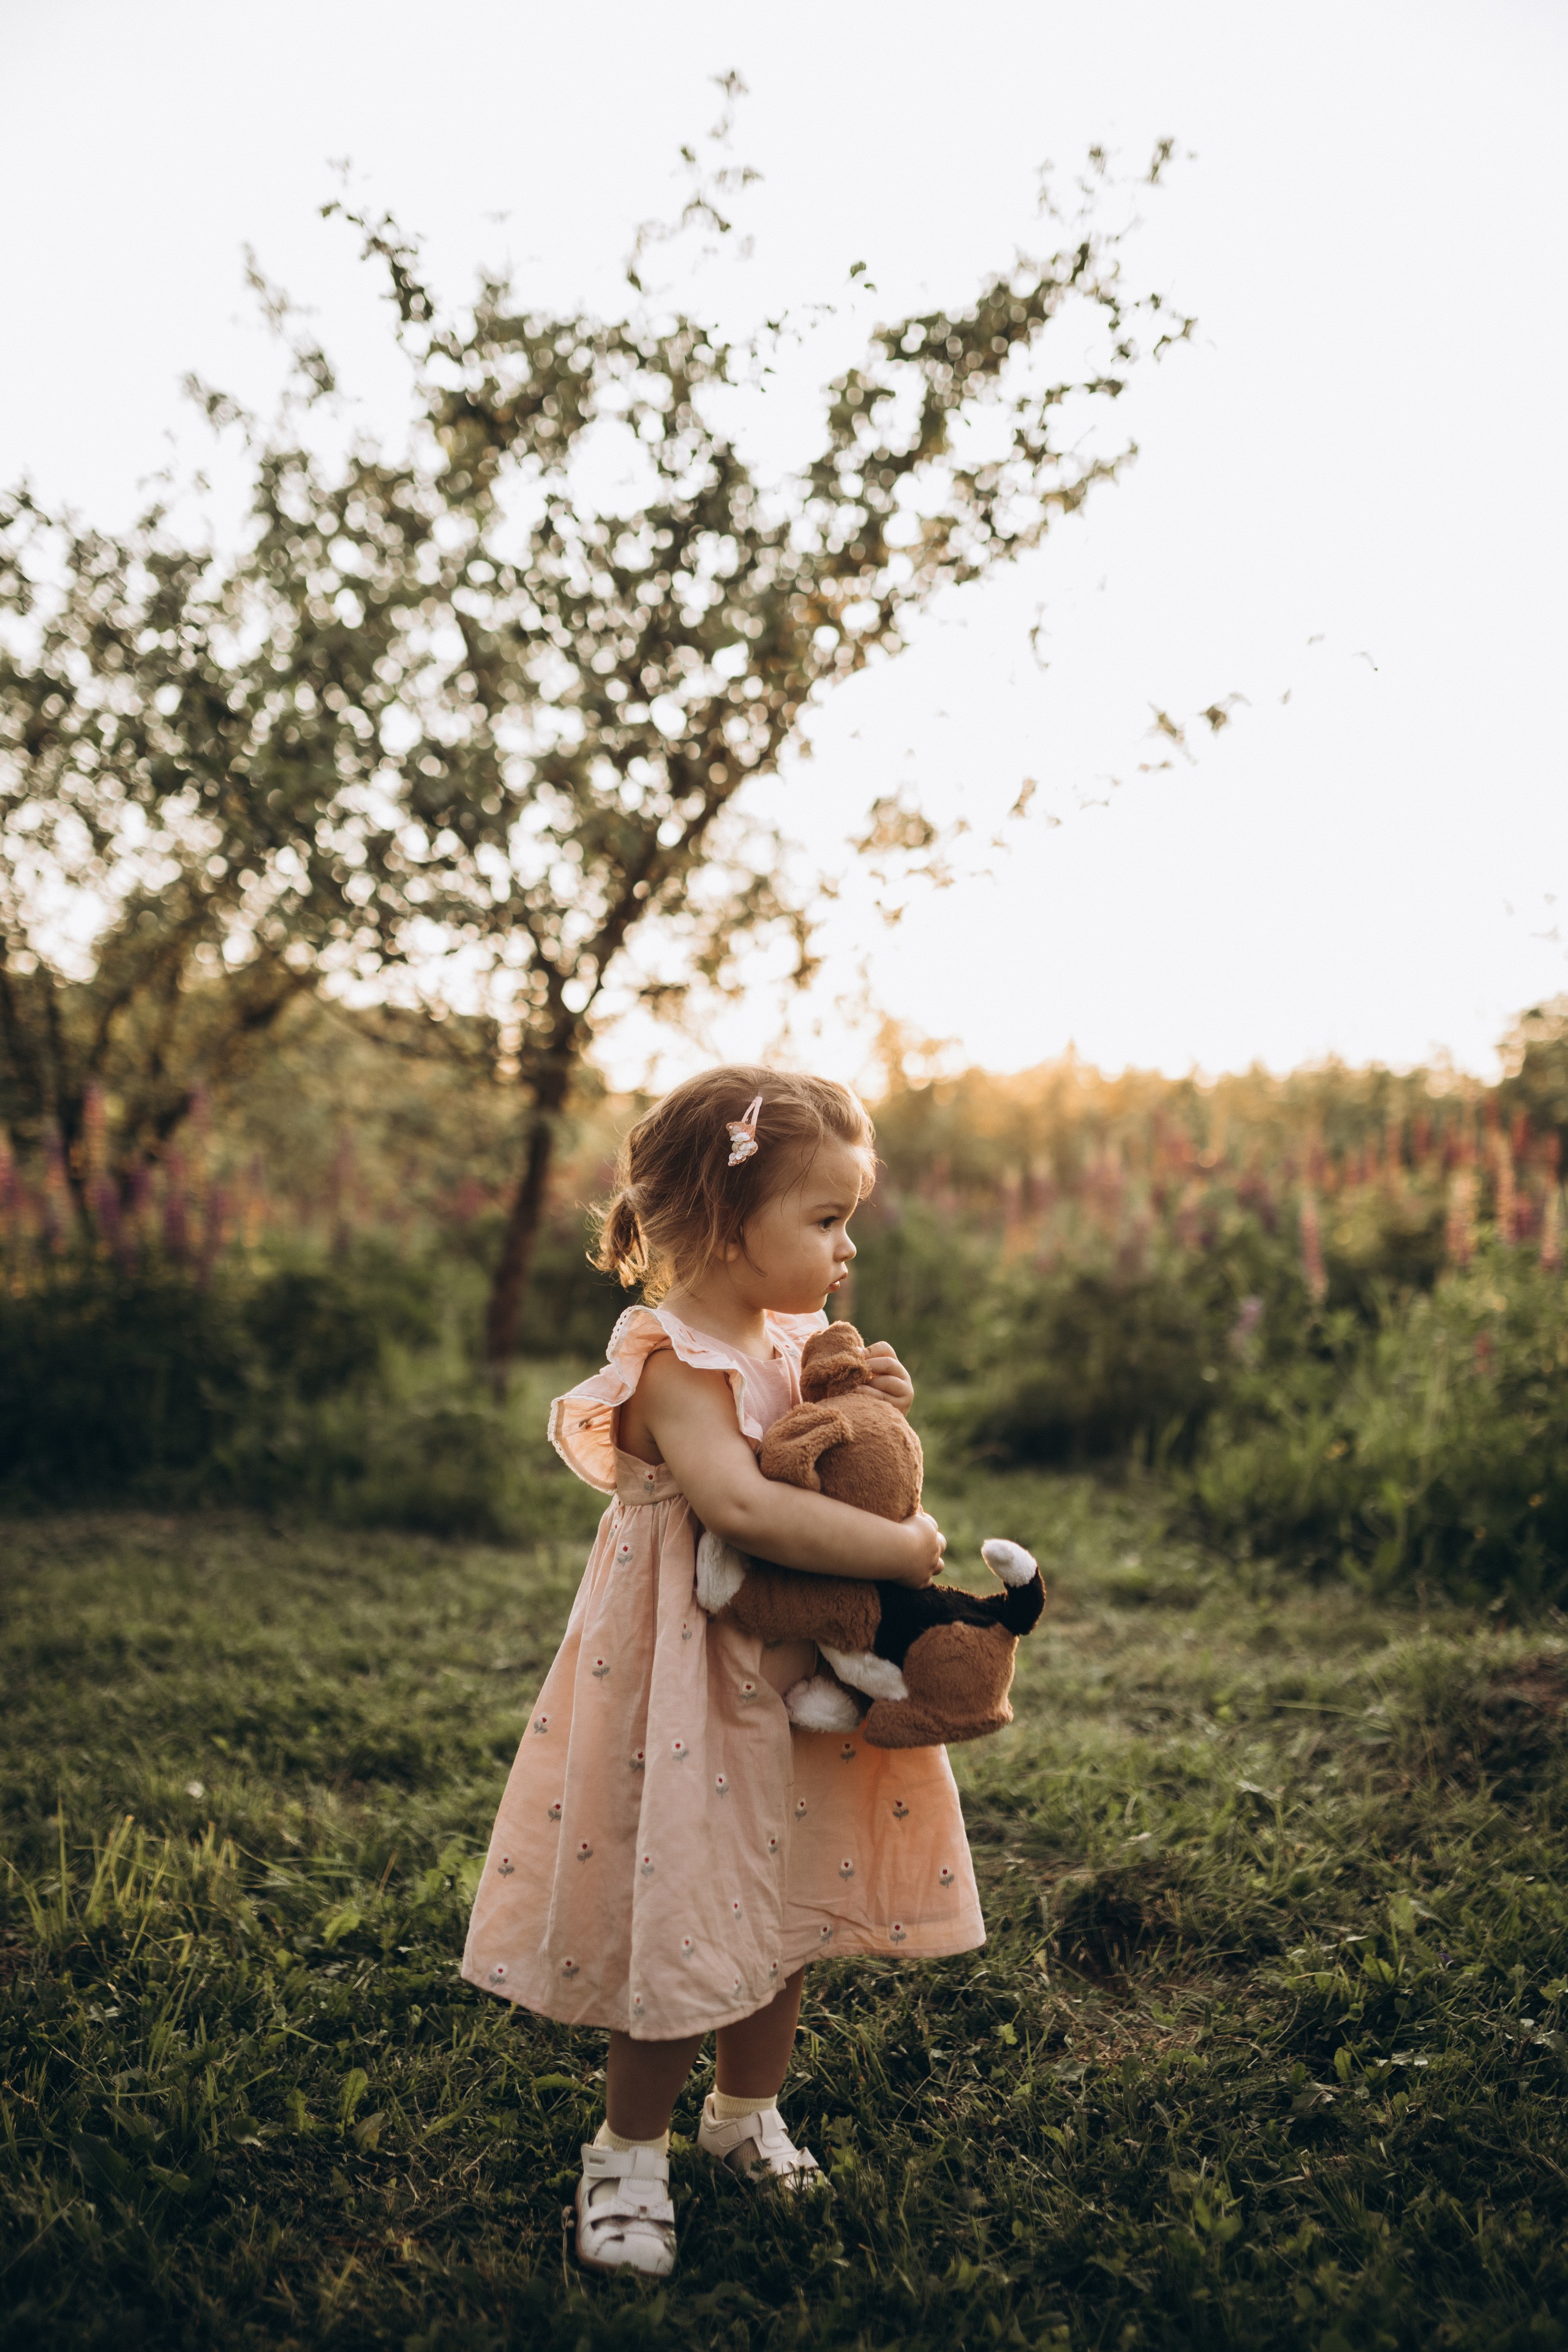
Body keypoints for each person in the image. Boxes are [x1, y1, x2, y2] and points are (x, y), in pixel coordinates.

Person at [462, 1067, 984, 2276]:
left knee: (783, 1902)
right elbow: (742, 1506)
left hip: (798, 1675)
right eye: (823, 1218)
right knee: (685, 1904)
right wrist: (904, 1550)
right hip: (689, 1685)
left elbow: (839, 1467)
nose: (846, 1248)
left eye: (847, 1219)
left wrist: (881, 1509)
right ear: (716, 1216)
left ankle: (745, 2115)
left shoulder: (798, 1341)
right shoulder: (670, 1361)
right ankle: (625, 2153)